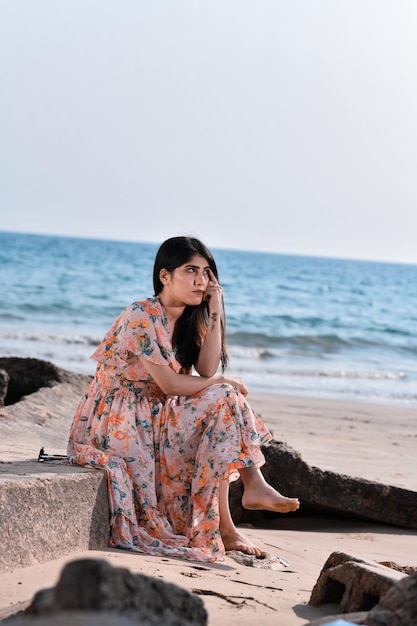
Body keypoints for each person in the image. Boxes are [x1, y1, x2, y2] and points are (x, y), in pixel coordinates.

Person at [68, 236, 299, 562]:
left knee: (223, 401)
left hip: (158, 411)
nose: (201, 281)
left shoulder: (190, 319)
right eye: (191, 270)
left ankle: (236, 515)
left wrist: (215, 308)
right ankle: (246, 498)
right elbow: (171, 382)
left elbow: (205, 368)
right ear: (165, 276)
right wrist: (219, 380)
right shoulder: (141, 315)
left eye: (207, 273)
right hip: (119, 419)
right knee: (222, 392)